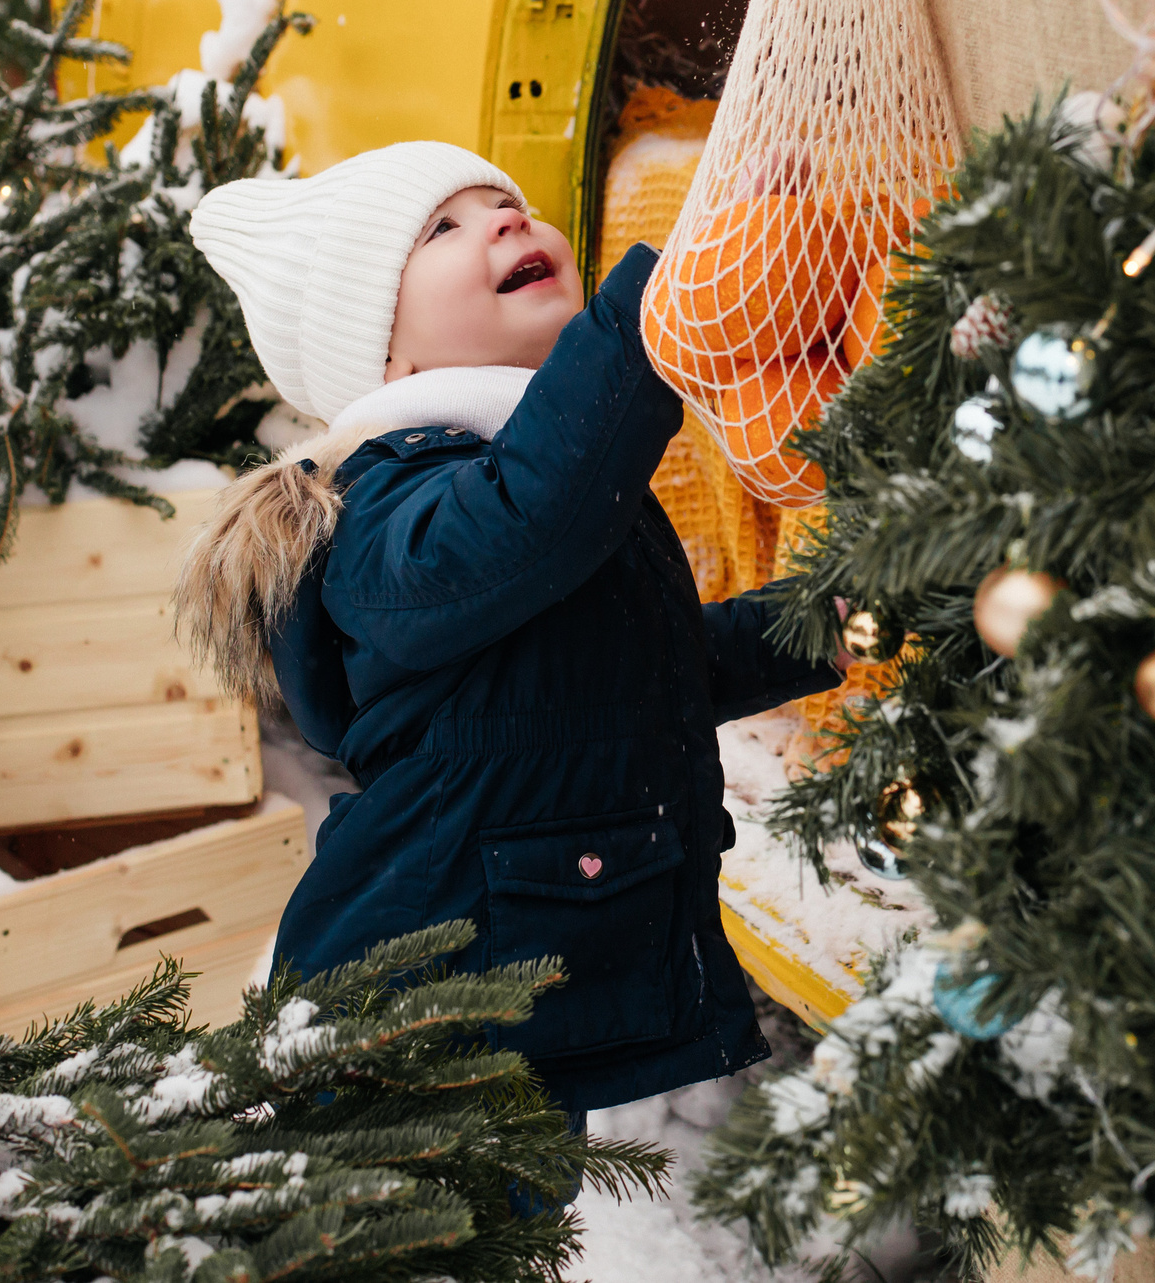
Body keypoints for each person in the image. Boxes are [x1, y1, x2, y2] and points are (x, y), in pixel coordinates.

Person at [176, 139, 839, 1136]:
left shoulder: (538, 481)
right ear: (385, 358)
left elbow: (633, 679)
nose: (506, 218)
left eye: (506, 200)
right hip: (408, 1013)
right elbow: (527, 516)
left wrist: (830, 618)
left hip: (503, 998)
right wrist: (656, 309)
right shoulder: (384, 509)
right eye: (443, 227)